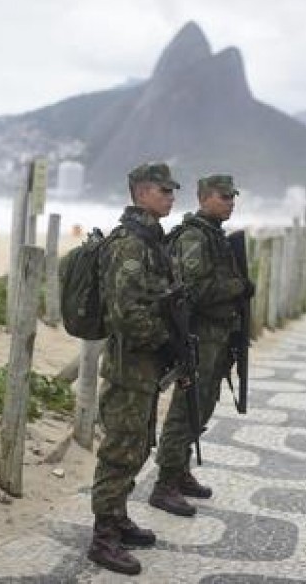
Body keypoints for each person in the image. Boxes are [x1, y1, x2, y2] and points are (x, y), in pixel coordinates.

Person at [87, 162, 180, 575]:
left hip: (145, 367)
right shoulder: (129, 244)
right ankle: (103, 536)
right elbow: (126, 314)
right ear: (141, 193)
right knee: (120, 451)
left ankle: (118, 516)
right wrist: (165, 339)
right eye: (163, 189)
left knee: (140, 445)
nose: (171, 195)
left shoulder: (151, 241)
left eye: (172, 188)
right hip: (129, 367)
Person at [150, 174, 253, 517]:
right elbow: (195, 290)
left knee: (203, 404)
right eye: (224, 197)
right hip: (199, 335)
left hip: (218, 336)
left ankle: (179, 471)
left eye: (232, 197)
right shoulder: (194, 236)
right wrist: (236, 288)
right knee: (187, 407)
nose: (230, 202)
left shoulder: (214, 236)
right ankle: (165, 482)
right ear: (205, 197)